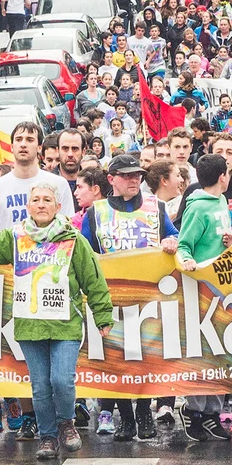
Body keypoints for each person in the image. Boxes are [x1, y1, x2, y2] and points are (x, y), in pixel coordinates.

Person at [0, 184, 113, 459]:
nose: (42, 204)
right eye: (36, 200)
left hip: (65, 324)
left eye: (47, 200)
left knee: (61, 380)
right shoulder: (15, 237)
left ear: (58, 207)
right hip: (30, 325)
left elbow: (93, 278)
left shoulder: (73, 239)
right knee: (40, 386)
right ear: (28, 207)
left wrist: (102, 315)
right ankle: (47, 437)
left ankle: (66, 423)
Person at [80, 155, 179, 441]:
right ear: (111, 179)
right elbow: (83, 251)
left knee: (146, 357)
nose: (134, 180)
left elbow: (177, 238)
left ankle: (145, 412)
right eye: (126, 175)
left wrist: (171, 241)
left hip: (149, 297)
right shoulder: (95, 212)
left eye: (137, 175)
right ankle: (125, 416)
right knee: (117, 358)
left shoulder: (156, 207)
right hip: (111, 298)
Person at [175, 154, 232, 441]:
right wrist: (187, 260)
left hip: (222, 288)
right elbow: (184, 244)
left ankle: (213, 411)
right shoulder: (198, 207)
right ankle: (194, 409)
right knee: (200, 352)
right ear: (223, 176)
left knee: (219, 351)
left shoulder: (222, 201)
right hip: (200, 290)